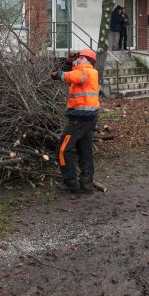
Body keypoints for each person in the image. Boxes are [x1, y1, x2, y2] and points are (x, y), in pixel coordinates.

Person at [50, 48, 99, 194]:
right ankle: (86, 184)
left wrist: (58, 74)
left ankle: (70, 182)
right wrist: (68, 63)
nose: (79, 60)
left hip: (80, 118)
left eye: (82, 58)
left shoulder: (86, 72)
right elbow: (72, 75)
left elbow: (70, 77)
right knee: (85, 150)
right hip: (88, 118)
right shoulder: (85, 72)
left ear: (89, 61)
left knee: (63, 150)